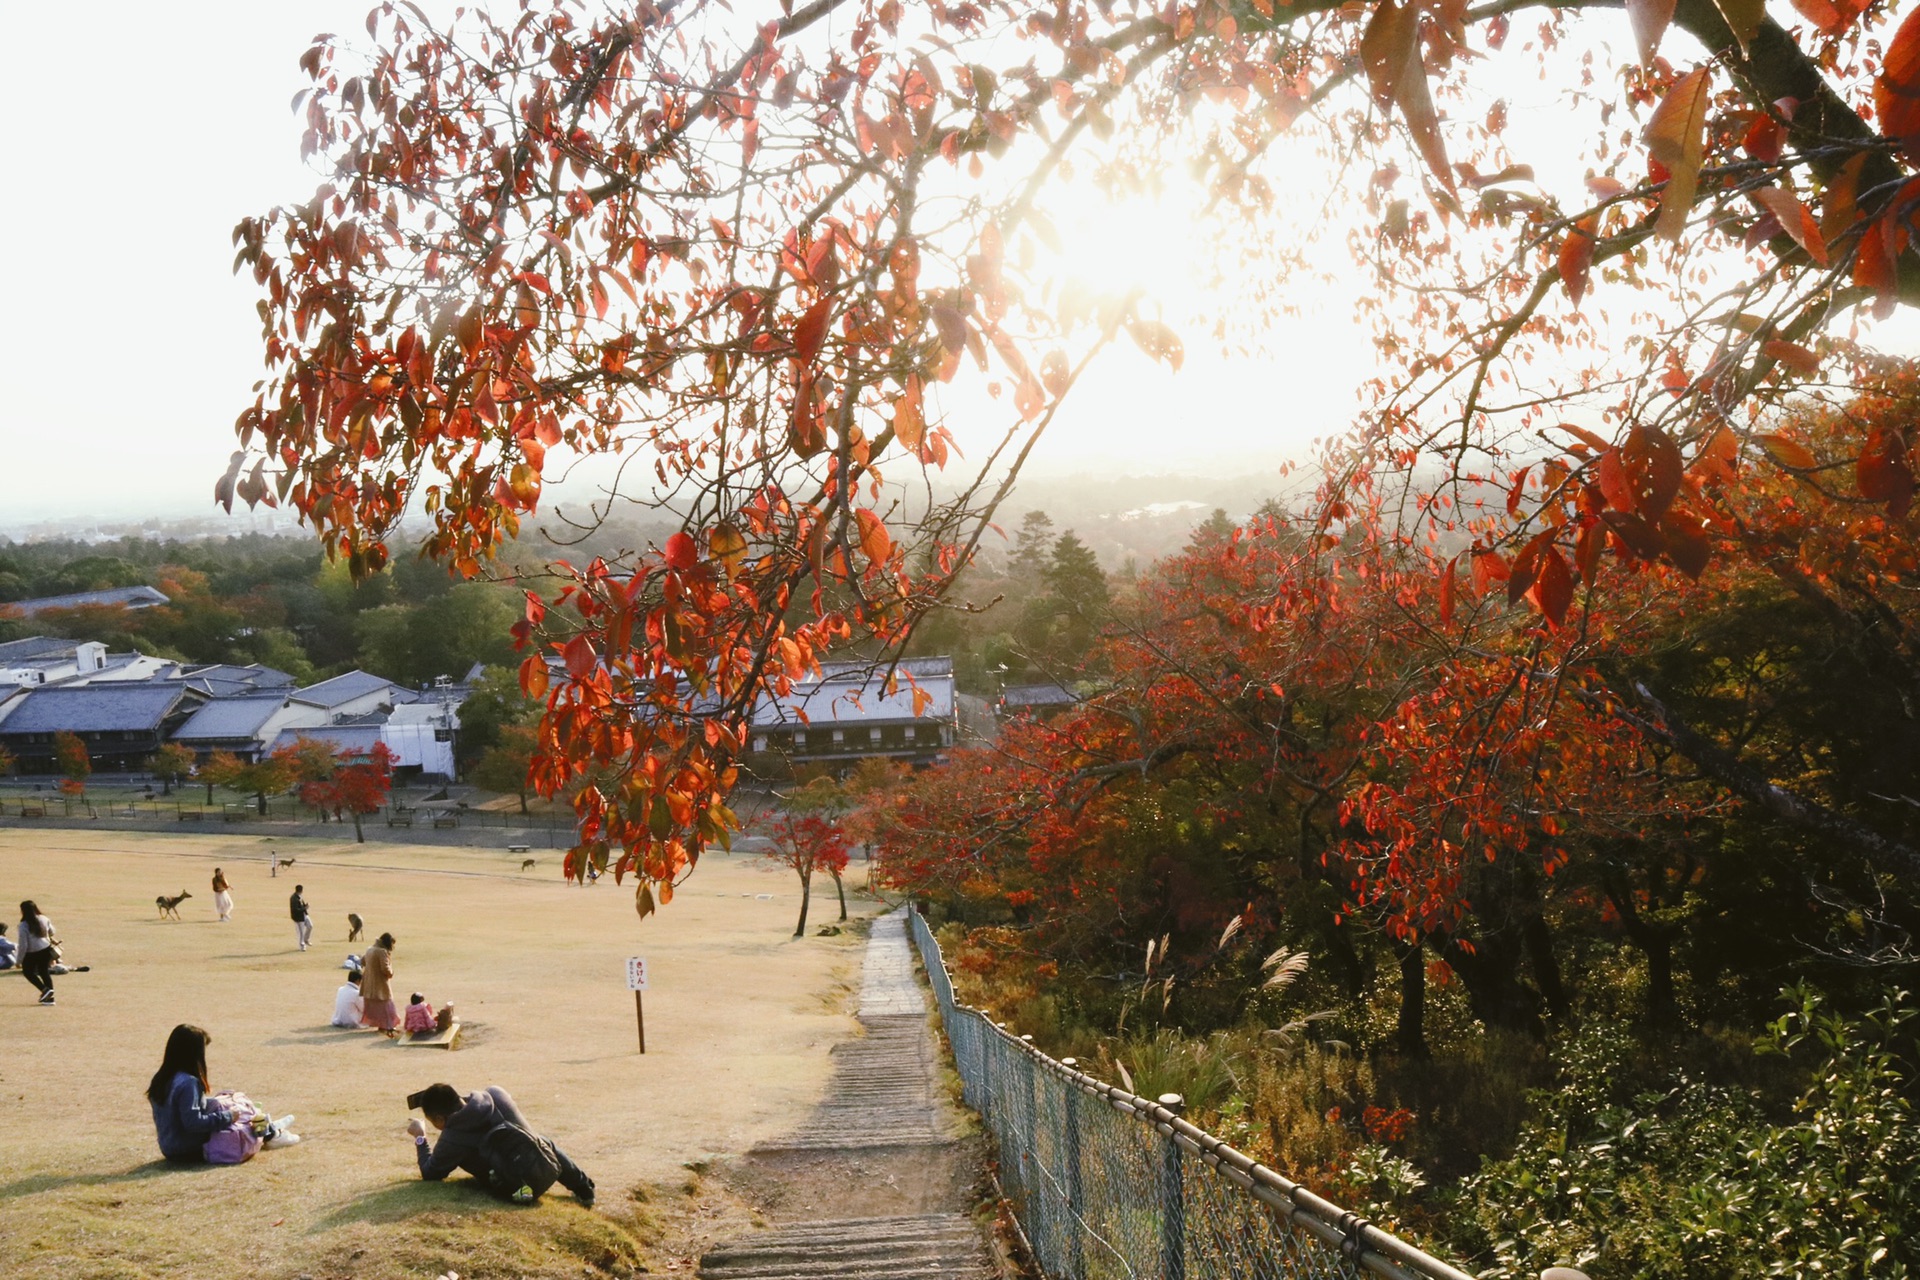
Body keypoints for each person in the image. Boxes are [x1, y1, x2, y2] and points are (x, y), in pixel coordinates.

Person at [404, 1082, 595, 1207]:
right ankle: (584, 1188)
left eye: (432, 1122)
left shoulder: (452, 1138)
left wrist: (420, 1137)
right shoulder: (496, 1094)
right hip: (549, 1165)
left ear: (439, 1118)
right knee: (539, 1139)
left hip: (520, 1192)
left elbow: (430, 1173)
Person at [147, 1024, 299, 1162]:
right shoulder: (188, 1083)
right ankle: (272, 1134)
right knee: (240, 1120)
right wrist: (228, 1117)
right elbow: (193, 1123)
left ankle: (271, 1128)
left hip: (169, 1147)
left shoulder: (162, 1078)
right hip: (189, 1149)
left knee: (224, 1104)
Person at [18, 899, 58, 1005]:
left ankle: (45, 990)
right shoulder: (44, 919)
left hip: (31, 953)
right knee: (44, 972)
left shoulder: (23, 925)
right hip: (45, 949)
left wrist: (19, 960)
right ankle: (50, 999)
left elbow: (23, 945)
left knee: (28, 972)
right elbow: (52, 931)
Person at [359, 932, 400, 1036]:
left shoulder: (370, 949)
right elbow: (385, 968)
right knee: (386, 1005)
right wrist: (391, 972)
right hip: (380, 983)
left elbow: (362, 961)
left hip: (369, 983)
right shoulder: (382, 952)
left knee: (376, 1007)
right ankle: (388, 1026)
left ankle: (382, 1026)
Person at [289, 885, 312, 951]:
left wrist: (305, 906)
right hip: (298, 917)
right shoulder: (294, 899)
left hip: (304, 915)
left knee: (310, 926)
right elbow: (296, 909)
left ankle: (306, 939)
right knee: (301, 932)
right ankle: (302, 946)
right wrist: (305, 908)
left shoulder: (299, 896)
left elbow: (301, 904)